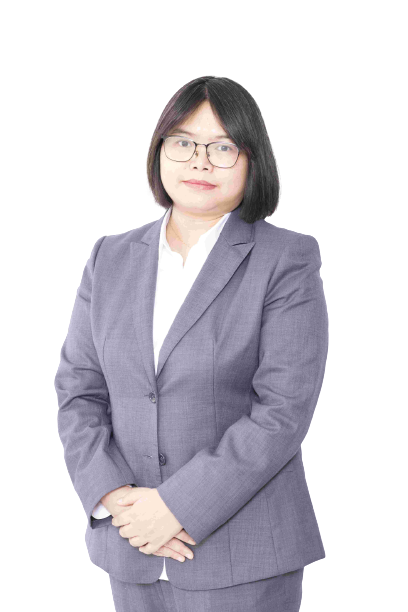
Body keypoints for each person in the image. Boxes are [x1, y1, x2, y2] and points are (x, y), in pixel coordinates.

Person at [55, 75, 329, 611]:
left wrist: (176, 507)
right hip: (131, 547)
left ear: (252, 161)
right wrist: (115, 498)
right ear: (160, 152)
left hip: (244, 557)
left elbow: (282, 412)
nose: (199, 162)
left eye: (223, 147)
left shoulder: (286, 260)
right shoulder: (110, 257)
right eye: (183, 142)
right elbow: (78, 390)